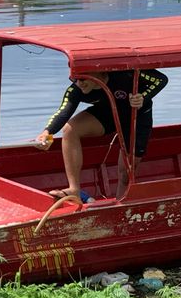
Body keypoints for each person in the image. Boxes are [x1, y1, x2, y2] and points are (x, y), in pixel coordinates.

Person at [35, 69, 168, 203]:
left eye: (82, 79)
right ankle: (74, 190)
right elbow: (63, 111)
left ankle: (121, 204)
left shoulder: (123, 73)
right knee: (70, 130)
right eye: (74, 79)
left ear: (98, 73)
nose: (78, 83)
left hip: (136, 116)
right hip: (107, 114)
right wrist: (47, 132)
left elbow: (161, 79)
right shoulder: (76, 89)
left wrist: (143, 97)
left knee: (125, 173)